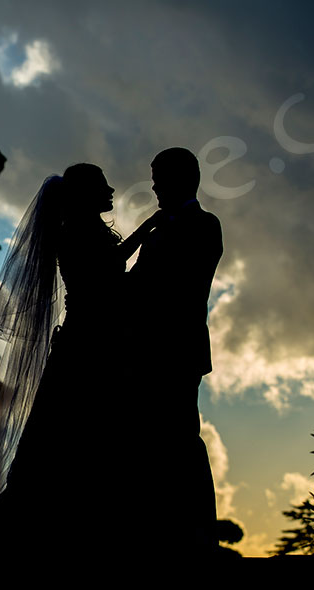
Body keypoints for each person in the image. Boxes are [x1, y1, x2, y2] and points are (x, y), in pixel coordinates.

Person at [0, 163, 160, 552]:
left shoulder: (82, 231)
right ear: (85, 194)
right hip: (86, 342)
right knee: (66, 434)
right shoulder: (75, 233)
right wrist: (145, 234)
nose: (111, 191)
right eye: (101, 186)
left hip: (89, 338)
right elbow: (106, 273)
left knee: (66, 434)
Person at [127, 147, 223, 556]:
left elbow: (170, 285)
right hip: (149, 353)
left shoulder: (203, 225)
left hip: (176, 351)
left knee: (181, 442)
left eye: (157, 177)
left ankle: (195, 536)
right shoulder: (161, 227)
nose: (152, 185)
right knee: (152, 444)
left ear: (180, 179)